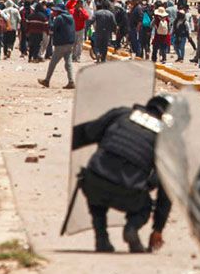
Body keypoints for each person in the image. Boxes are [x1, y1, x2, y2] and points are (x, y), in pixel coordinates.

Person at [72, 95, 173, 253]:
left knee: (95, 183)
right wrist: (158, 228)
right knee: (145, 206)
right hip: (129, 194)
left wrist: (67, 144)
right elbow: (166, 190)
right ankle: (131, 229)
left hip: (95, 184)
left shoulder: (121, 114)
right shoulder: (165, 139)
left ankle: (101, 238)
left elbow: (87, 132)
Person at [38, 3, 75, 89]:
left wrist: (50, 19)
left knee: (53, 63)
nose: (53, 12)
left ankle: (47, 80)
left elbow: (52, 28)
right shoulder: (71, 17)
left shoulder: (59, 18)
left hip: (61, 44)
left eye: (54, 11)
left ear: (58, 11)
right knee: (68, 63)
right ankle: (71, 81)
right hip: (70, 43)